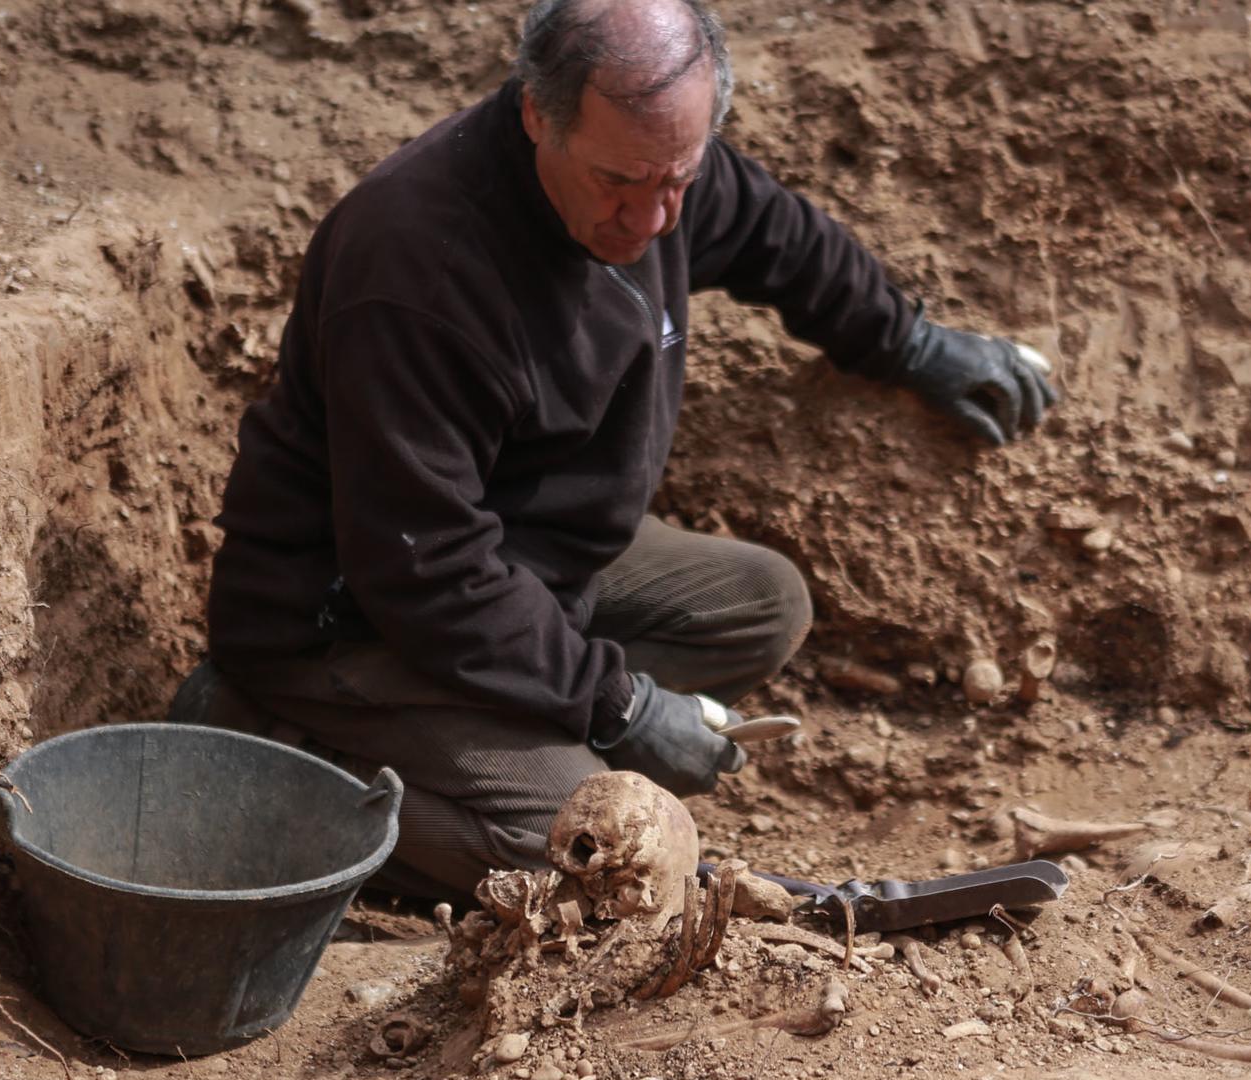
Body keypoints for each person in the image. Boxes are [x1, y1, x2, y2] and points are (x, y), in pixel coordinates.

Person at [175, 0, 1057, 900]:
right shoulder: (417, 270)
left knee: (761, 604)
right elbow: (425, 569)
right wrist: (618, 704)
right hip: (345, 616)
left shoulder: (651, 162)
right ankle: (273, 754)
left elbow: (772, 235)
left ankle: (505, 732)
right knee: (591, 855)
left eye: (679, 177)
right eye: (619, 185)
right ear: (534, 114)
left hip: (519, 555)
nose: (654, 221)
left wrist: (907, 343)